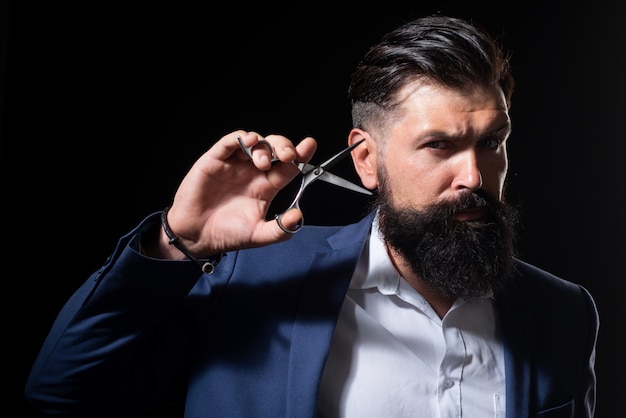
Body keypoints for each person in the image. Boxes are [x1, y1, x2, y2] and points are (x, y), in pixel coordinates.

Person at [25, 14, 599, 418]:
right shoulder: (251, 281)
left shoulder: (562, 314)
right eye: (439, 146)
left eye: (493, 142)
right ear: (366, 160)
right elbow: (62, 391)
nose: (475, 176)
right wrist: (178, 245)